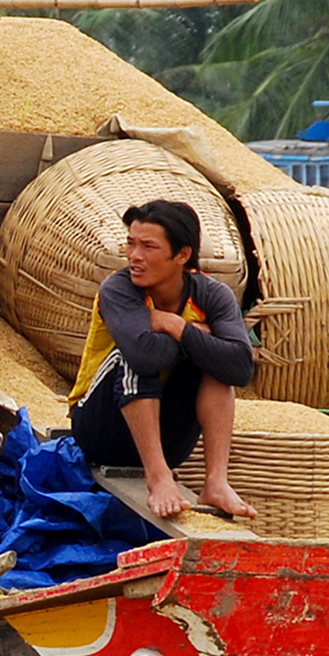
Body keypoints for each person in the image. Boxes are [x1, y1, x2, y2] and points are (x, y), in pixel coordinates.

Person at [65, 197, 257, 521]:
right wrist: (199, 337)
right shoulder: (119, 288)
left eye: (148, 247)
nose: (134, 257)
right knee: (133, 357)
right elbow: (144, 356)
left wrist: (175, 325)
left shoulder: (212, 295)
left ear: (182, 255)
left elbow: (240, 367)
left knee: (217, 366)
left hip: (169, 440)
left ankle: (216, 482)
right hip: (100, 429)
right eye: (131, 244)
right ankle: (158, 478)